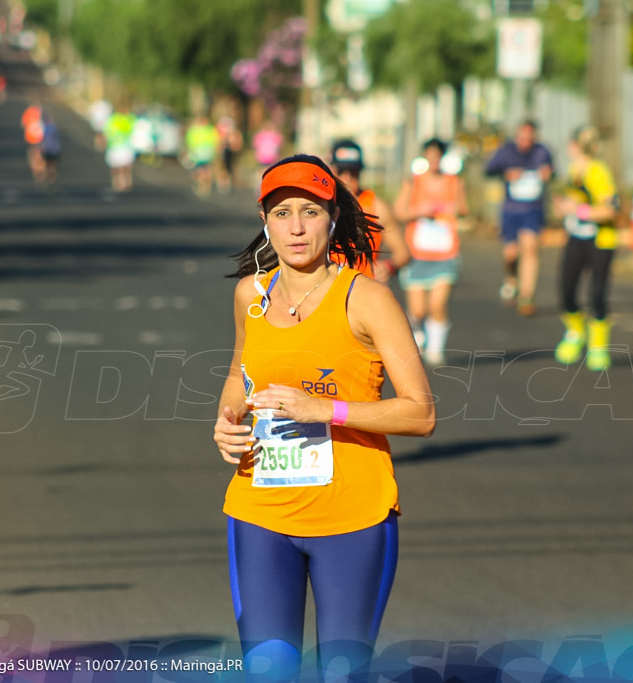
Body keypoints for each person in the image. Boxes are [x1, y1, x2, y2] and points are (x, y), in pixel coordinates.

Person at [213, 154, 435, 682]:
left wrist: (325, 410)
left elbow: (421, 412)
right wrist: (226, 422)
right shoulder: (252, 294)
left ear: (332, 217)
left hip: (352, 518)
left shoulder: (368, 299)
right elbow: (239, 373)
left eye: (310, 211)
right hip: (260, 512)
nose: (295, 226)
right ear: (264, 220)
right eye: (282, 211)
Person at [393, 138, 470, 365]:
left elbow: (465, 210)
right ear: (425, 157)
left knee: (437, 306)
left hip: (446, 254)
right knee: (417, 311)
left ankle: (436, 350)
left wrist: (456, 209)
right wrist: (419, 211)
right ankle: (417, 337)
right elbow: (398, 212)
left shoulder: (454, 183)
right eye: (430, 156)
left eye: (438, 156)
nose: (434, 160)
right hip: (417, 255)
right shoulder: (412, 183)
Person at [552, 125, 620, 372]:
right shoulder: (573, 170)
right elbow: (576, 200)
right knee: (566, 289)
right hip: (576, 238)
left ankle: (598, 347)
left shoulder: (598, 171)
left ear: (576, 146)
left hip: (600, 240)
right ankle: (575, 332)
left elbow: (609, 210)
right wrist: (564, 207)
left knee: (597, 293)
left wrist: (577, 210)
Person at [484, 119, 554, 317]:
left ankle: (526, 295)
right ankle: (511, 279)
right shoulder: (506, 151)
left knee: (530, 249)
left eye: (529, 138)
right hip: (511, 210)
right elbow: (488, 170)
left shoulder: (542, 152)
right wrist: (506, 173)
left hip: (533, 209)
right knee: (511, 254)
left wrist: (547, 174)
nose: (525, 141)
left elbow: (552, 172)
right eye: (522, 137)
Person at [330, 138, 410, 282]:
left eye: (353, 172)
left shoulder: (376, 206)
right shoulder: (322, 205)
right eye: (342, 171)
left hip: (363, 289)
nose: (347, 178)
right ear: (332, 170)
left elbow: (402, 253)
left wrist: (389, 266)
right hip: (327, 290)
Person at [104, 105, 137, 192]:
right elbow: (107, 131)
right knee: (116, 166)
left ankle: (125, 181)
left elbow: (136, 131)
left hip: (126, 146)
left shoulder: (130, 119)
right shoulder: (113, 119)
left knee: (125, 165)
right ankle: (118, 181)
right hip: (114, 146)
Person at [185, 114, 219, 196]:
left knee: (200, 170)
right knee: (207, 169)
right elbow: (216, 140)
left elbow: (189, 140)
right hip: (208, 152)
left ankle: (202, 186)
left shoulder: (195, 129)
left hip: (199, 153)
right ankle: (206, 185)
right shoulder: (210, 129)